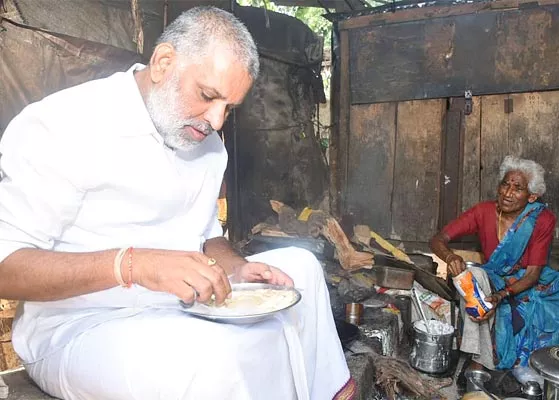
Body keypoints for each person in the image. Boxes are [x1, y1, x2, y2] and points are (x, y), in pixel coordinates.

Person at [0, 7, 354, 400]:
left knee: (301, 268)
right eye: (207, 96)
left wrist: (235, 267)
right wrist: (133, 265)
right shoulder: (65, 125)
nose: (217, 121)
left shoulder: (206, 146)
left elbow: (205, 235)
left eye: (229, 107)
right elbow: (5, 267)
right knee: (213, 360)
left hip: (179, 306)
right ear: (163, 62)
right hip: (79, 327)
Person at [430, 156, 559, 375]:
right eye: (505, 185)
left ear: (532, 196)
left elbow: (534, 274)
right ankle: (478, 360)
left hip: (531, 281)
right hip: (495, 277)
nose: (507, 193)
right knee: (473, 276)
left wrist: (502, 295)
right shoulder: (483, 211)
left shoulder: (541, 219)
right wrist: (450, 257)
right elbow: (438, 239)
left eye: (517, 188)